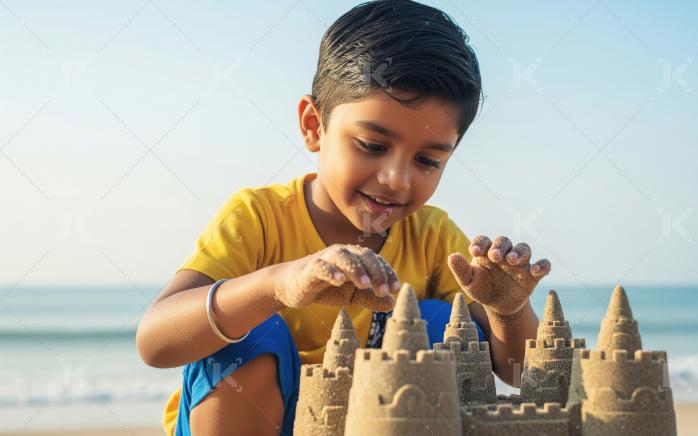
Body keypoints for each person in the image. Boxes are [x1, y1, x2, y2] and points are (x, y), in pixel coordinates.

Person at [135, 1, 551, 434]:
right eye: (372, 145)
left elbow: (520, 374)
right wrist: (278, 286)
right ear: (314, 125)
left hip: (363, 422)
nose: (396, 179)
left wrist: (507, 309)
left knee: (442, 323)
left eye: (427, 160)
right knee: (255, 330)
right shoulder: (257, 217)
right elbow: (155, 342)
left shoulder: (432, 238)